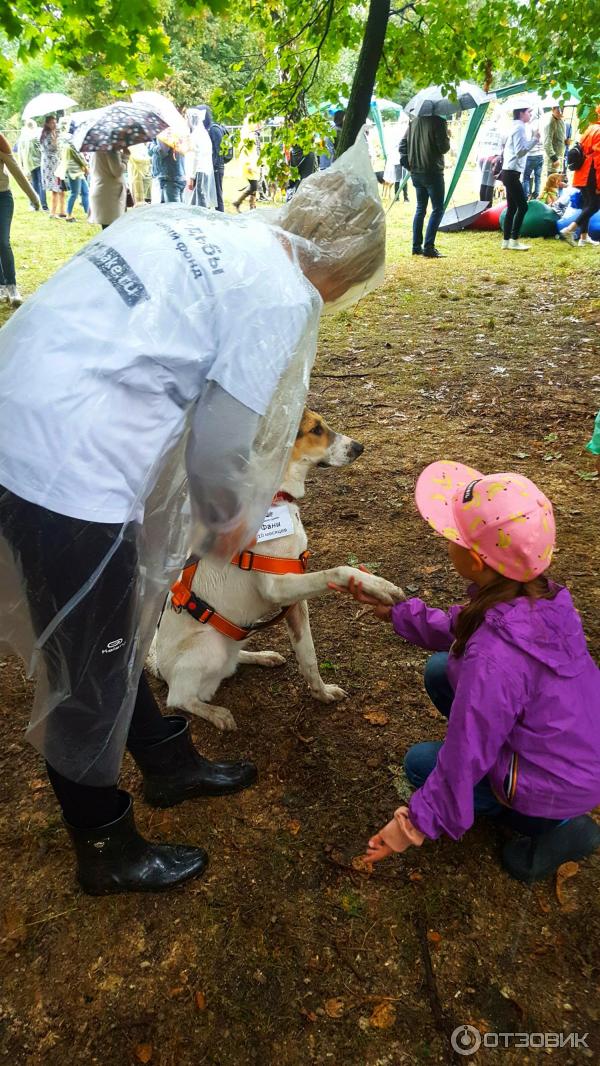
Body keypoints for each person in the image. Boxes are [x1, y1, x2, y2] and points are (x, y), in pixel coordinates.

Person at [0, 131, 386, 896]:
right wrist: (227, 524)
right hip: (64, 471)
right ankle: (105, 846)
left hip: (20, 416)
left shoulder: (202, 222)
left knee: (113, 634)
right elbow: (219, 447)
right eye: (344, 291)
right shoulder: (278, 293)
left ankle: (167, 761)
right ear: (336, 269)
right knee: (88, 663)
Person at [331, 461, 600, 883]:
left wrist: (411, 827)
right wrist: (397, 613)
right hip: (571, 745)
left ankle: (563, 827)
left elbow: (467, 748)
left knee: (420, 765)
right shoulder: (536, 599)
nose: (444, 541)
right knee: (442, 670)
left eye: (450, 538)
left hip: (555, 784)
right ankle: (532, 791)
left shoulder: (494, 661)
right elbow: (462, 625)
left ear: (475, 562)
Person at [400, 114, 451, 258]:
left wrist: (407, 163)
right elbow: (443, 148)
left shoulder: (413, 122)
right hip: (433, 171)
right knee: (438, 209)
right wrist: (446, 135)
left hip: (416, 171)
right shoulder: (439, 122)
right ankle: (428, 247)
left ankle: (416, 247)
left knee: (420, 208)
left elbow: (402, 145)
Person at [0, 132, 40, 308]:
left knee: (2, 242)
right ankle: (1, 285)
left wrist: (34, 197)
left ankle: (12, 286)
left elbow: (17, 172)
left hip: (2, 198)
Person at [559, 105, 600, 248]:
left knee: (587, 205)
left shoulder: (590, 128)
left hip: (581, 173)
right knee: (594, 205)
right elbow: (599, 160)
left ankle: (584, 237)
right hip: (592, 173)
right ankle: (569, 230)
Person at [500, 106, 540, 251]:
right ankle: (514, 240)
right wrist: (535, 139)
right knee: (523, 207)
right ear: (521, 113)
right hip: (511, 173)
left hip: (509, 172)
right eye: (529, 112)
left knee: (512, 208)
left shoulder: (515, 127)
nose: (530, 114)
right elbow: (520, 151)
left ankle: (506, 241)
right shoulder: (520, 128)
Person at [89, 148, 128, 229]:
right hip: (110, 194)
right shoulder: (111, 150)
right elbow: (117, 171)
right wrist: (125, 158)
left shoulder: (96, 150)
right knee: (113, 230)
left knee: (107, 229)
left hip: (102, 190)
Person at [185, 108, 216, 208]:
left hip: (199, 172)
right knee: (201, 199)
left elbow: (195, 158)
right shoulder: (203, 133)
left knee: (199, 202)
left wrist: (191, 177)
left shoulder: (196, 135)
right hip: (205, 171)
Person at [18, 119, 47, 211]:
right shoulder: (36, 136)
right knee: (42, 184)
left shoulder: (23, 137)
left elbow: (20, 152)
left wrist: (22, 164)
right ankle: (44, 205)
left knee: (34, 184)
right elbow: (42, 149)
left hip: (29, 164)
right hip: (39, 163)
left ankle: (34, 204)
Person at [40, 115, 65, 218]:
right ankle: (53, 212)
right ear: (47, 124)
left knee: (61, 188)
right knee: (55, 189)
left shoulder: (55, 133)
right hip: (50, 164)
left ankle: (62, 211)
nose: (55, 124)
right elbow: (52, 148)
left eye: (55, 122)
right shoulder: (46, 135)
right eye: (52, 122)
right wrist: (55, 140)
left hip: (57, 163)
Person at [233, 119, 260, 212]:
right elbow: (246, 151)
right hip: (249, 165)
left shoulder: (252, 134)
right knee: (254, 185)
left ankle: (252, 206)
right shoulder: (247, 135)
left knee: (254, 185)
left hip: (253, 163)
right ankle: (238, 202)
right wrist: (248, 164)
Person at [60, 134, 89, 222]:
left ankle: (88, 213)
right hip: (74, 172)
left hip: (77, 171)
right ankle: (68, 215)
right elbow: (78, 157)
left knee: (85, 191)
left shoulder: (65, 143)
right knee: (74, 193)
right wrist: (86, 166)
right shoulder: (71, 143)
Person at [521, 121, 545, 200]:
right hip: (540, 155)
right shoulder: (542, 127)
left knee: (526, 177)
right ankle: (536, 195)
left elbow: (527, 142)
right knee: (538, 177)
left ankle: (526, 195)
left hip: (531, 155)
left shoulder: (529, 127)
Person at [544, 105, 567, 174]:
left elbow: (560, 138)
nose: (561, 113)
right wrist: (554, 159)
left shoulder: (561, 121)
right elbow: (547, 144)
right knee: (552, 184)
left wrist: (566, 141)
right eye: (558, 110)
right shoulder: (550, 123)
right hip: (553, 162)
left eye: (562, 110)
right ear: (553, 109)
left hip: (561, 159)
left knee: (559, 183)